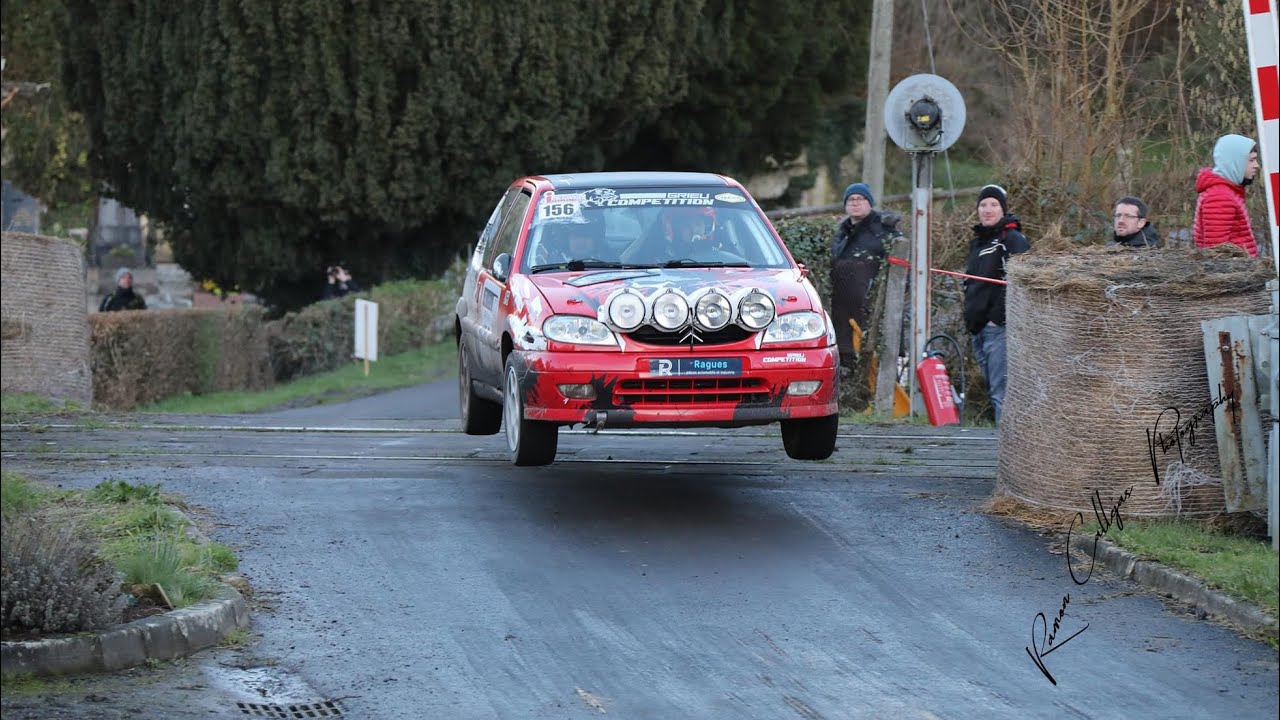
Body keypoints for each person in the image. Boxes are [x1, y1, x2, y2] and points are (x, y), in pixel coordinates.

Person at [963, 184, 1030, 424]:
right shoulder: (978, 243)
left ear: (1003, 209)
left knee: (1002, 393)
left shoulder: (1012, 239)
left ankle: (1008, 452)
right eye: (983, 205)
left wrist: (996, 317)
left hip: (999, 330)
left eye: (993, 204)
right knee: (994, 390)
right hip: (978, 329)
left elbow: (1020, 284)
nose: (987, 209)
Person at [829, 182, 902, 368]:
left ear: (869, 203)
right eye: (851, 199)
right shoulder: (841, 233)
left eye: (860, 199)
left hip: (871, 309)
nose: (855, 203)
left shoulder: (883, 231)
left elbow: (900, 269)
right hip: (842, 311)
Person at [1193, 134, 1260, 257]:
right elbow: (1216, 253)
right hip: (1236, 273)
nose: (1256, 165)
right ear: (1235, 162)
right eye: (1251, 160)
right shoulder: (1220, 197)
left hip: (1241, 271)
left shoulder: (1229, 191)